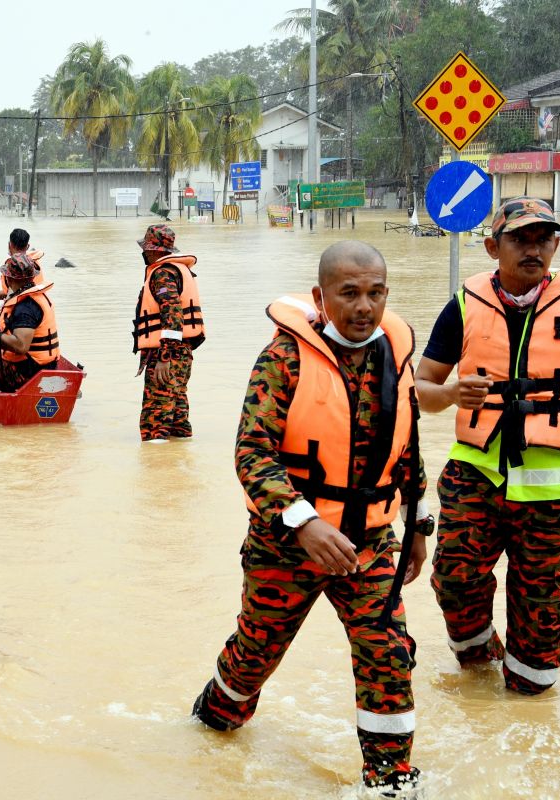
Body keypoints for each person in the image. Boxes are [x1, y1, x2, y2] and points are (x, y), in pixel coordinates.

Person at [191, 241, 431, 797]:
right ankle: (212, 724)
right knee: (256, 652)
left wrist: (418, 526)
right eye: (349, 294)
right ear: (322, 297)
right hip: (287, 545)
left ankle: (390, 782)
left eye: (375, 293)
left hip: (369, 543)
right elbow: (252, 451)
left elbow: (408, 446)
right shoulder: (284, 358)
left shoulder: (395, 355)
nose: (364, 307)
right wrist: (302, 520)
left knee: (387, 652)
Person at [414, 196, 560, 695]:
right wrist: (449, 394)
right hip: (475, 475)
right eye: (520, 239)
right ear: (493, 247)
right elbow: (421, 388)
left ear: (555, 244)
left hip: (555, 488)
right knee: (452, 580)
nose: (534, 249)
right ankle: (479, 668)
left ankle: (527, 706)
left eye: (543, 238)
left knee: (542, 608)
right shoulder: (465, 302)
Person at [132, 224, 204, 443]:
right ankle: (177, 467)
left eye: (146, 248)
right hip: (182, 353)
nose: (143, 252)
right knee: (177, 418)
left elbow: (172, 314)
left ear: (157, 250)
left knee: (156, 419)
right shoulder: (179, 270)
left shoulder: (163, 274)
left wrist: (164, 357)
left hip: (167, 355)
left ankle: (156, 471)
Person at [0, 253, 59, 392]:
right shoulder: (30, 296)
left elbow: (21, 346)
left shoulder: (26, 307)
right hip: (40, 366)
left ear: (9, 278)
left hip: (27, 373)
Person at [0, 228, 45, 301]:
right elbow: (12, 292)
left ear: (9, 245)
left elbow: (10, 292)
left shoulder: (11, 266)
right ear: (28, 246)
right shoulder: (34, 265)